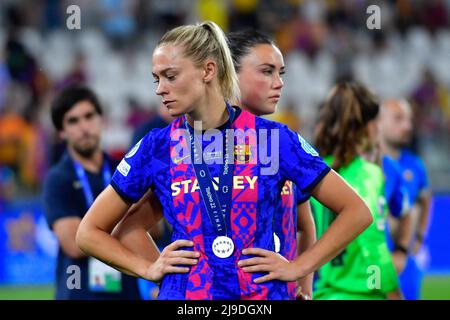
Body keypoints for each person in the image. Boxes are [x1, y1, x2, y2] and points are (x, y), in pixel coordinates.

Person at [76, 21, 372, 300]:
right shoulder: (157, 147)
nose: (159, 89)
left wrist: (299, 267)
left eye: (170, 76)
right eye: (157, 78)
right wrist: (149, 269)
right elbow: (89, 233)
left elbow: (356, 211)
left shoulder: (273, 139)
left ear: (207, 70)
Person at [113, 29, 317, 300]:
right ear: (226, 70)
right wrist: (169, 281)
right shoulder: (174, 144)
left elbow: (303, 227)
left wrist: (300, 284)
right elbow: (126, 226)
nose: (278, 82)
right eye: (266, 71)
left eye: (281, 73)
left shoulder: (275, 142)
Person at [43, 85, 141, 300]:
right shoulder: (58, 179)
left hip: (127, 293)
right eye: (73, 121)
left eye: (89, 116)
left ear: (101, 120)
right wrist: (129, 225)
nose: (84, 127)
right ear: (61, 132)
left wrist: (94, 230)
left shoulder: (124, 169)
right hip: (78, 292)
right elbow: (74, 244)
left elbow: (156, 230)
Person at [312, 82, 402, 300]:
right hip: (362, 293)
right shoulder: (368, 174)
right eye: (378, 121)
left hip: (325, 292)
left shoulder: (317, 172)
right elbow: (370, 238)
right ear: (369, 126)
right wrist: (391, 290)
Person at [378, 98, 432, 300]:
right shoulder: (365, 163)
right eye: (398, 119)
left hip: (404, 260)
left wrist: (418, 238)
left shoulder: (415, 165)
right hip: (373, 260)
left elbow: (424, 200)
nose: (407, 126)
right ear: (379, 122)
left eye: (409, 119)